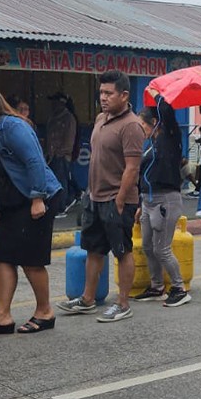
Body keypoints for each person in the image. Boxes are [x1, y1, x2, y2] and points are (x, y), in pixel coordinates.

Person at [0, 87, 63, 336]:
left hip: (36, 198)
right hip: (12, 202)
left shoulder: (12, 127)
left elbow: (34, 161)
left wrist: (38, 198)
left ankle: (45, 312)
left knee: (31, 260)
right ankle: (2, 316)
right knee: (5, 256)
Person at [56, 70, 145, 322]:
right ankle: (87, 299)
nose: (103, 98)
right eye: (101, 93)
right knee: (93, 250)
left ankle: (123, 303)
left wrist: (119, 199)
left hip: (117, 201)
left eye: (109, 93)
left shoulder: (131, 126)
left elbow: (132, 167)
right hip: (93, 198)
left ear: (124, 95)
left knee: (122, 251)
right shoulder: (100, 119)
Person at [134, 99, 191, 307]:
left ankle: (179, 289)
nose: (142, 130)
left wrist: (161, 97)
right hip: (148, 201)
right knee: (148, 246)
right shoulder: (152, 145)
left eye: (144, 125)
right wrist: (141, 205)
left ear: (156, 122)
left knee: (162, 249)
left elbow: (168, 115)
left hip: (166, 200)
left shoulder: (170, 139)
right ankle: (156, 286)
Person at [45, 92, 78, 214]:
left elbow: (69, 140)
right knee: (53, 181)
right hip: (52, 156)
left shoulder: (68, 118)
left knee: (61, 181)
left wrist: (61, 153)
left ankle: (61, 207)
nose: (52, 104)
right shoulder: (52, 117)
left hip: (61, 156)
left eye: (55, 101)